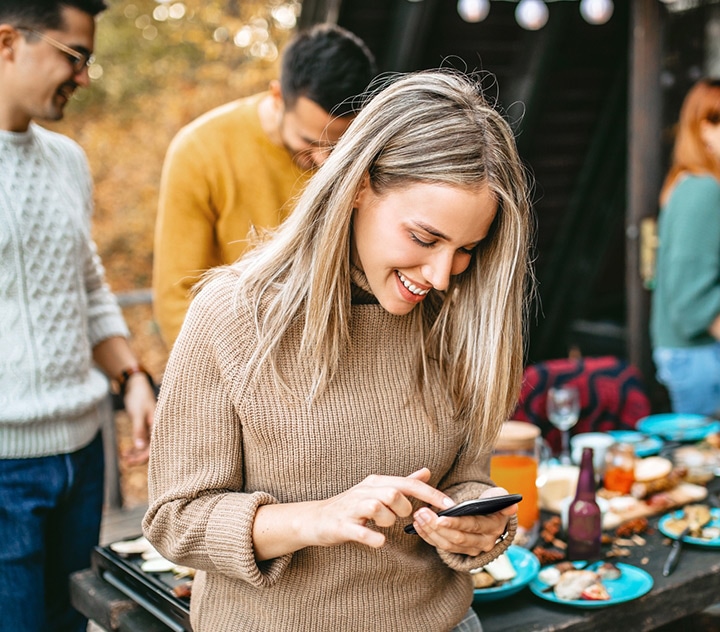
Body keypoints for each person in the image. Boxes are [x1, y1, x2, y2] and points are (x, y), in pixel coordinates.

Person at [143, 69, 533, 632]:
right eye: (425, 238)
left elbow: (464, 480)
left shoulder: (461, 317)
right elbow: (176, 521)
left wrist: (478, 527)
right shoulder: (231, 315)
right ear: (357, 187)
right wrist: (317, 518)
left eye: (466, 248)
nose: (443, 276)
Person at [0, 2, 157, 630]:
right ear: (8, 40)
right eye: (74, 56)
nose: (85, 77)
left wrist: (131, 377)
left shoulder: (68, 161)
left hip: (83, 454)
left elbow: (89, 289)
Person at [153, 23, 377, 348]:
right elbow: (177, 297)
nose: (323, 160)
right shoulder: (199, 150)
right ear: (277, 96)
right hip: (235, 353)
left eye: (338, 145)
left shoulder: (361, 157)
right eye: (309, 141)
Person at [651, 78, 720, 416]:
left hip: (692, 353)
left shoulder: (691, 183)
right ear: (698, 128)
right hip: (700, 354)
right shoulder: (704, 189)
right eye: (716, 119)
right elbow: (691, 297)